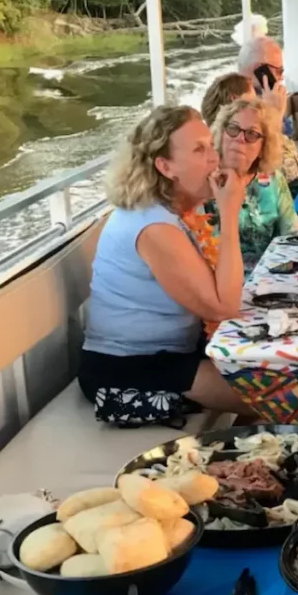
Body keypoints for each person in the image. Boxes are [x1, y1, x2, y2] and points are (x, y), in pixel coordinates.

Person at [79, 106, 252, 424]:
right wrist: (230, 213)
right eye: (199, 150)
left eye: (210, 146)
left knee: (281, 378)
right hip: (128, 366)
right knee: (270, 399)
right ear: (165, 166)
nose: (214, 159)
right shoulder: (153, 227)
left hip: (176, 351)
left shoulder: (171, 213)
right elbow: (223, 306)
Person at [209, 98, 298, 269]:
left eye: (251, 134)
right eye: (233, 128)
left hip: (271, 279)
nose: (240, 138)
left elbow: (292, 236)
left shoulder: (272, 178)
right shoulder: (206, 182)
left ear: (264, 146)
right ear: (221, 133)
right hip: (224, 284)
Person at [236, 38, 298, 178]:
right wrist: (272, 116)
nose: (281, 78)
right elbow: (254, 165)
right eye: (279, 71)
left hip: (291, 184)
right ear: (259, 70)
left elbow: (280, 146)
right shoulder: (236, 110)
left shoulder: (266, 98)